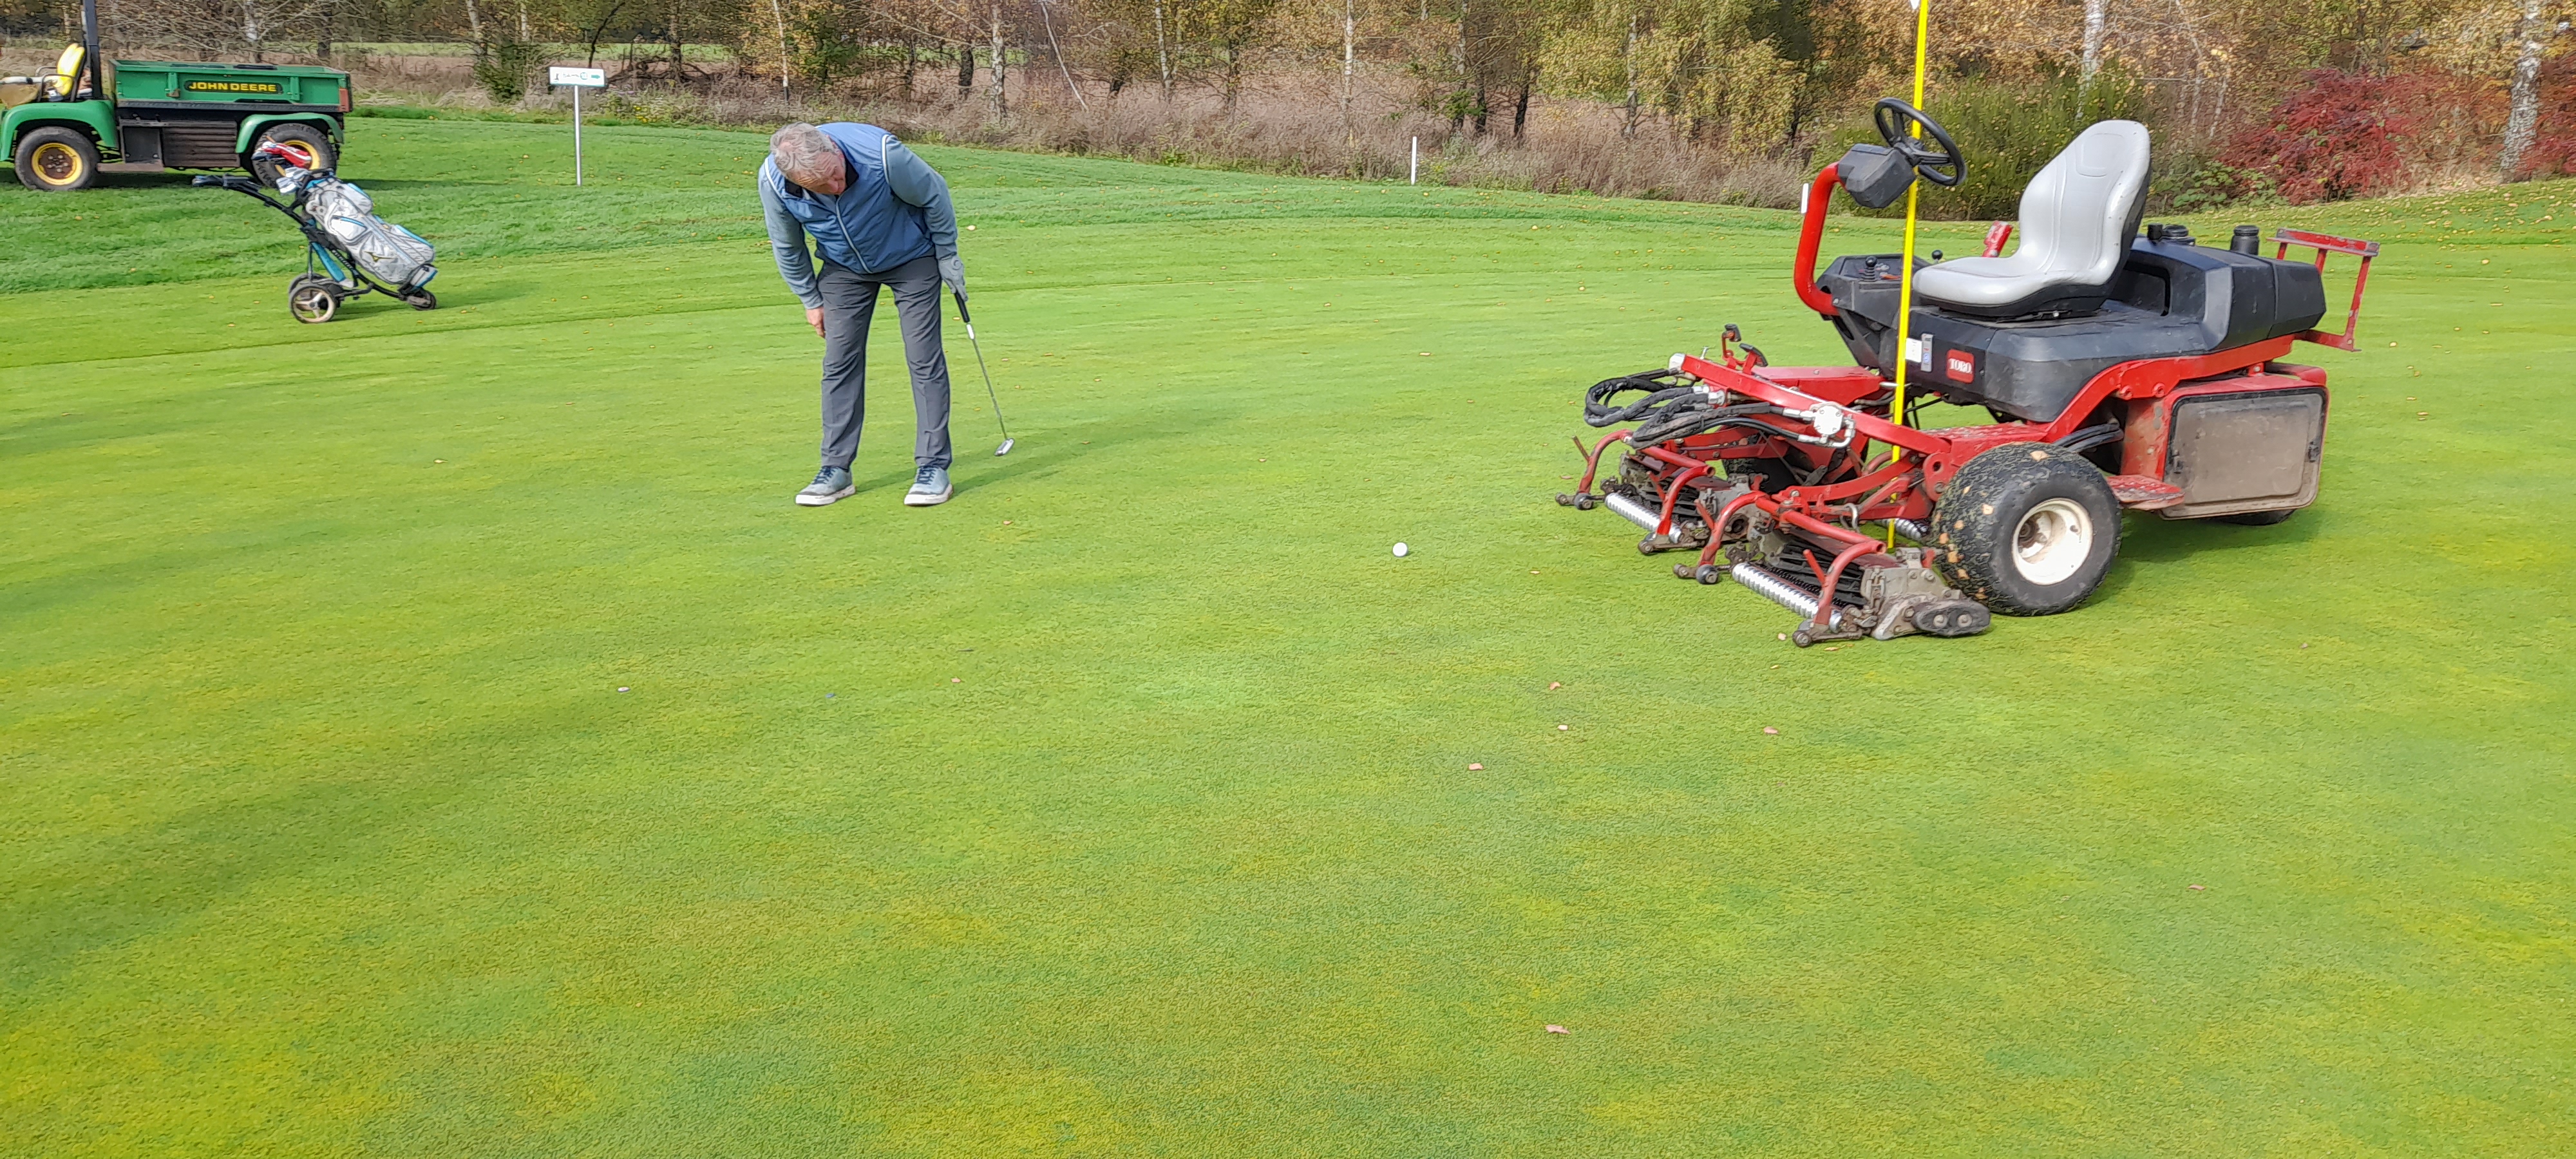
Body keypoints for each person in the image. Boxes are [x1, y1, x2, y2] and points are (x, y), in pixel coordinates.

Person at [760, 121, 967, 507]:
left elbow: (934, 195)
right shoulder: (774, 181)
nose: (835, 188)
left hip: (912, 258)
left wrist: (948, 257)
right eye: (821, 188)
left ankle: (933, 466)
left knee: (924, 358)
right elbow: (787, 245)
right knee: (839, 361)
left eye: (836, 177)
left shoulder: (884, 156)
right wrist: (811, 299)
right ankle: (836, 469)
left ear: (836, 153)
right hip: (843, 269)